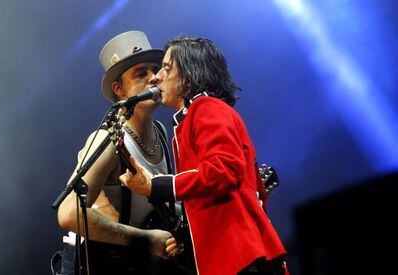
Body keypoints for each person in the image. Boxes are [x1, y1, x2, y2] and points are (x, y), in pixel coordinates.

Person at [120, 37, 289, 275]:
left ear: (190, 75)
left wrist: (155, 185)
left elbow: (224, 171)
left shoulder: (206, 108)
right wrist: (184, 236)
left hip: (241, 259)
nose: (157, 77)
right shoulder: (190, 121)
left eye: (167, 68)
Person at [55, 31, 182, 275]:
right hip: (100, 264)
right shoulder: (108, 140)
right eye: (140, 73)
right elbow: (69, 213)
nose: (154, 78)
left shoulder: (161, 131)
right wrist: (145, 239)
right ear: (119, 89)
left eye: (155, 69)